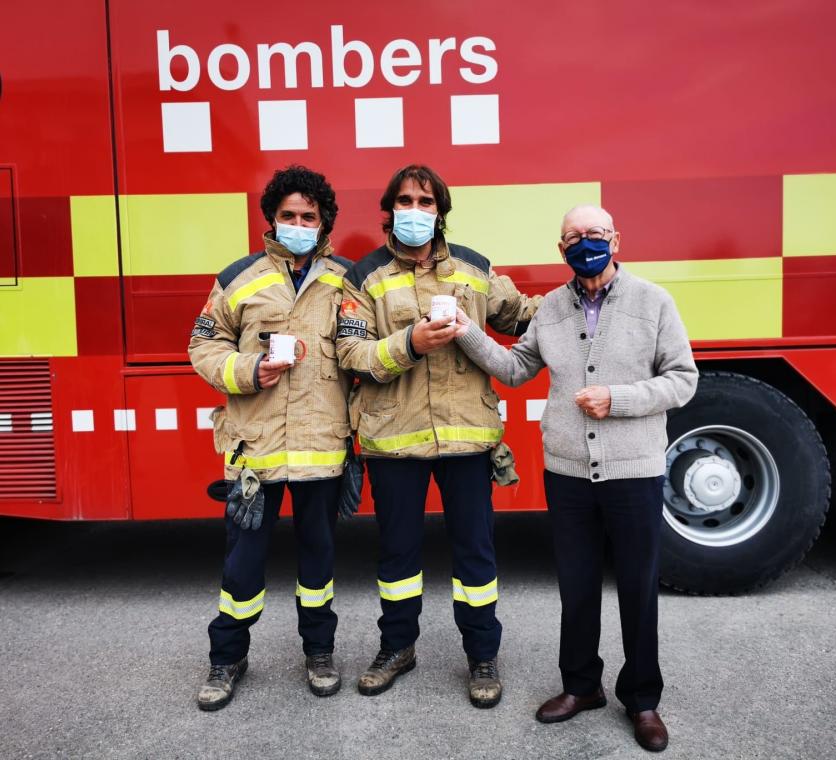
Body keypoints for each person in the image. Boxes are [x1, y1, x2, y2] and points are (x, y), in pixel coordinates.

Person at [453, 204, 698, 750]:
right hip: (567, 472)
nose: (583, 243)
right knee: (577, 586)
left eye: (594, 234)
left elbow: (683, 380)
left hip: (634, 471)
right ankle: (581, 686)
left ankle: (643, 699)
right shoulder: (551, 311)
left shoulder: (652, 302)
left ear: (616, 239)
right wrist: (468, 332)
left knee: (637, 587)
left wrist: (620, 398)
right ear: (560, 249)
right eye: (572, 237)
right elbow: (517, 368)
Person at [335, 164, 542, 707]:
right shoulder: (364, 277)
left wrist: (589, 293)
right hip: (394, 440)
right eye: (404, 201)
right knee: (397, 556)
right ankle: (396, 648)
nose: (415, 211)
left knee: (476, 556)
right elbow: (351, 354)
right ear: (390, 210)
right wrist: (411, 343)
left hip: (469, 440)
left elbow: (523, 317)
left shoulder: (475, 269)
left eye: (425, 201)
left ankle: (482, 656)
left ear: (440, 211)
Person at [189, 166, 353, 710]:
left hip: (323, 449)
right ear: (272, 220)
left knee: (319, 562)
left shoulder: (346, 280)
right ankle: (226, 658)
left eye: (309, 216)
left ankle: (320, 652)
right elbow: (202, 347)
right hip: (253, 451)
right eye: (289, 216)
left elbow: (362, 354)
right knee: (242, 564)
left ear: (324, 221)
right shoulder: (239, 277)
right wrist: (246, 369)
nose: (299, 224)